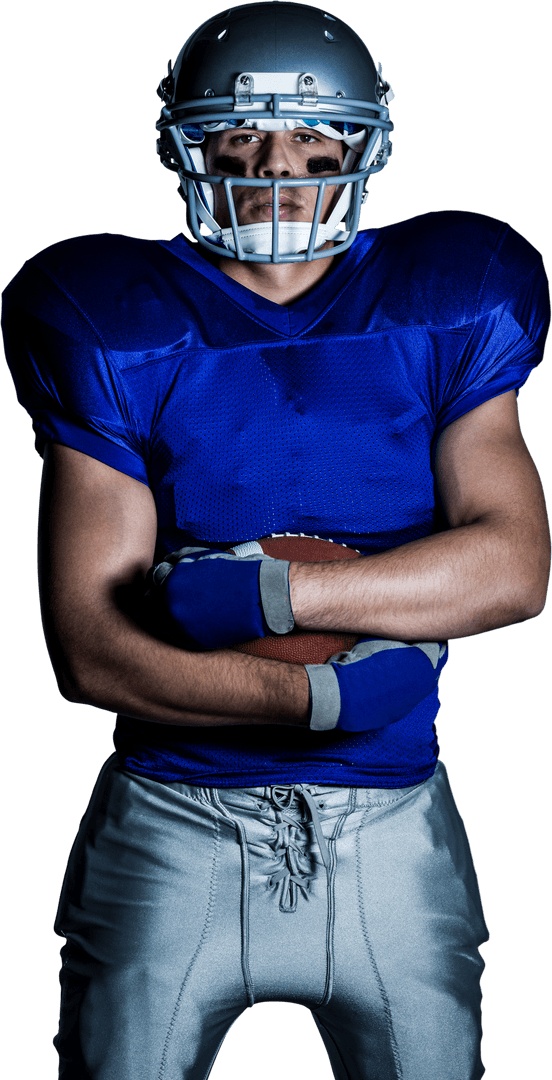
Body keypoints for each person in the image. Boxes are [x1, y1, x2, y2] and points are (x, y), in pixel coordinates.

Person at [1, 3, 550, 1078]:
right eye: (238, 138)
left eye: (312, 138)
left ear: (363, 143)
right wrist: (317, 699)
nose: (276, 167)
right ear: (184, 145)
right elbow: (93, 650)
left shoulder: (452, 293)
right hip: (173, 823)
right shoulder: (108, 313)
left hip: (393, 824)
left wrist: (270, 602)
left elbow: (515, 567)